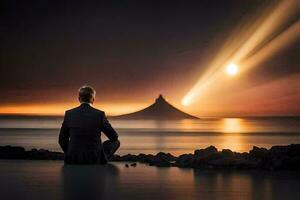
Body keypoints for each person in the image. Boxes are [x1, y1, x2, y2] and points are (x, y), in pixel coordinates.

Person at [58, 85, 120, 164]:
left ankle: (74, 154)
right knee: (116, 142)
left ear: (79, 99)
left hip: (72, 159)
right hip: (94, 159)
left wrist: (70, 153)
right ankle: (102, 159)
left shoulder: (69, 114)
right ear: (93, 100)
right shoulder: (99, 114)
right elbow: (114, 136)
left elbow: (61, 139)